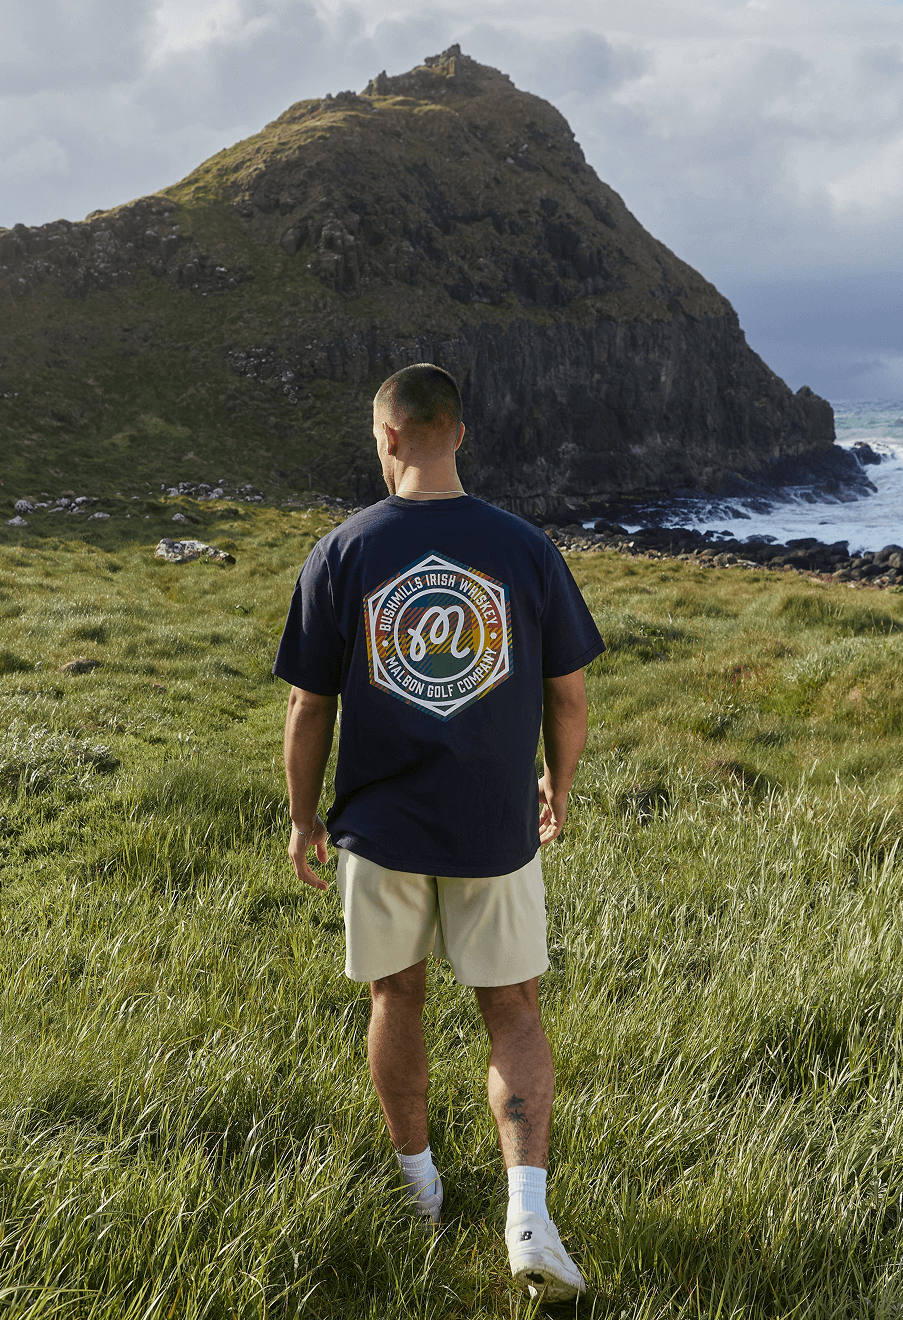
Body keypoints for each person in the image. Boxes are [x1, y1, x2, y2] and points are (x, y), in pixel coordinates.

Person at [273, 363, 604, 1302]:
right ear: (459, 433)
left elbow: (308, 707)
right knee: (515, 1011)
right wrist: (558, 784)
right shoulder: (524, 547)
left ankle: (418, 1188)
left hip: (378, 829)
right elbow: (569, 692)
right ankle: (527, 1216)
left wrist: (304, 816)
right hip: (496, 826)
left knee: (397, 996)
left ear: (386, 439)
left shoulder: (343, 549)